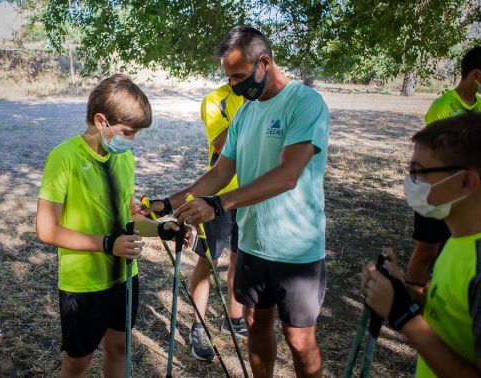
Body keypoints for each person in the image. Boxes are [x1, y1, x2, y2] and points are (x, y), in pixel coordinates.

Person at [144, 26, 330, 377]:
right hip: (253, 242)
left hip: (296, 248)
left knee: (300, 339)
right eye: (228, 78)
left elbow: (287, 175)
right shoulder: (245, 113)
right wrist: (167, 204)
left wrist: (217, 205)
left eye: (239, 76)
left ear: (265, 62)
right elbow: (218, 173)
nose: (233, 85)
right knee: (256, 324)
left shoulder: (305, 103)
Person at [36, 74, 190, 378]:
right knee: (77, 362)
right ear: (101, 120)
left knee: (119, 348)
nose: (131, 142)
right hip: (84, 284)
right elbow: (47, 229)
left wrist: (162, 229)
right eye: (127, 132)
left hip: (124, 276)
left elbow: (129, 218)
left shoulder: (125, 160)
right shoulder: (63, 157)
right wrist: (107, 244)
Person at [363, 112, 481, 377]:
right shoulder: (459, 238)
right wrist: (401, 292)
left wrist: (403, 315)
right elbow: (450, 314)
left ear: (465, 181)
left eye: (419, 172)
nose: (411, 182)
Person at [406, 46, 481, 292]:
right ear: (477, 75)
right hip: (440, 189)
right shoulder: (443, 105)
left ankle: (438, 296)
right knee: (427, 249)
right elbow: (434, 155)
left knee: (451, 247)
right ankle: (413, 299)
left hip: (468, 196)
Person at [185, 83, 246, 361]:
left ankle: (234, 319)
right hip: (218, 199)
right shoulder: (215, 101)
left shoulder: (260, 97)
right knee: (207, 261)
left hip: (251, 195)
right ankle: (197, 327)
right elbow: (225, 147)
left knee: (241, 259)